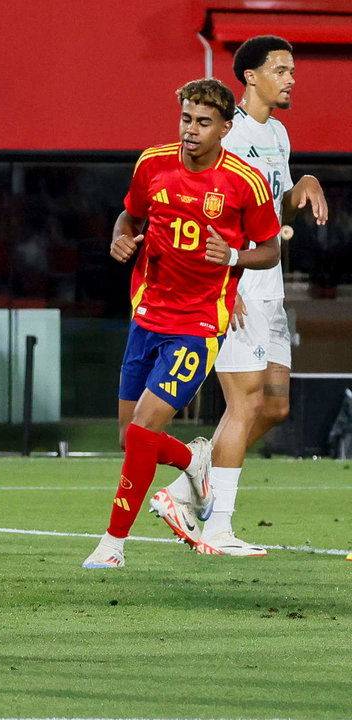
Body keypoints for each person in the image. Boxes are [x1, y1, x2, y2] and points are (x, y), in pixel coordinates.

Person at [83, 78, 281, 569]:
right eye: (186, 119)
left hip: (198, 324)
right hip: (147, 314)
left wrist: (233, 254)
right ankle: (194, 461)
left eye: (203, 122)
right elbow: (128, 218)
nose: (191, 131)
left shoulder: (245, 181)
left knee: (146, 427)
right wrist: (121, 239)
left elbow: (272, 249)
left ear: (225, 128)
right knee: (131, 436)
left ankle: (112, 545)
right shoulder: (152, 163)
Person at [151, 37, 329, 557]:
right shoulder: (228, 136)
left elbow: (277, 215)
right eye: (280, 69)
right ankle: (216, 528)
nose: (291, 77)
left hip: (267, 282)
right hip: (234, 282)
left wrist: (305, 186)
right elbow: (196, 208)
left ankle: (186, 484)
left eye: (292, 69)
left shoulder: (277, 133)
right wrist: (221, 285)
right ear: (250, 77)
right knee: (245, 402)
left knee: (274, 406)